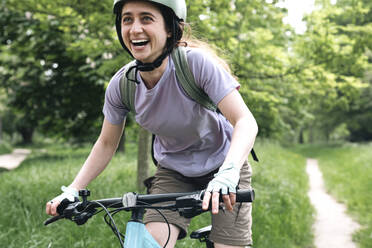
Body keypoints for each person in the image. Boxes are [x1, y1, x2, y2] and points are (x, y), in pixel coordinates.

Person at [45, 0, 258, 247]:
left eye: (146, 18)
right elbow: (105, 143)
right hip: (174, 171)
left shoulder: (195, 64)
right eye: (127, 19)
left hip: (225, 165)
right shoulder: (122, 85)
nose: (135, 29)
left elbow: (245, 121)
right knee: (148, 245)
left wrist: (228, 173)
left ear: (170, 28)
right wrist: (72, 189)